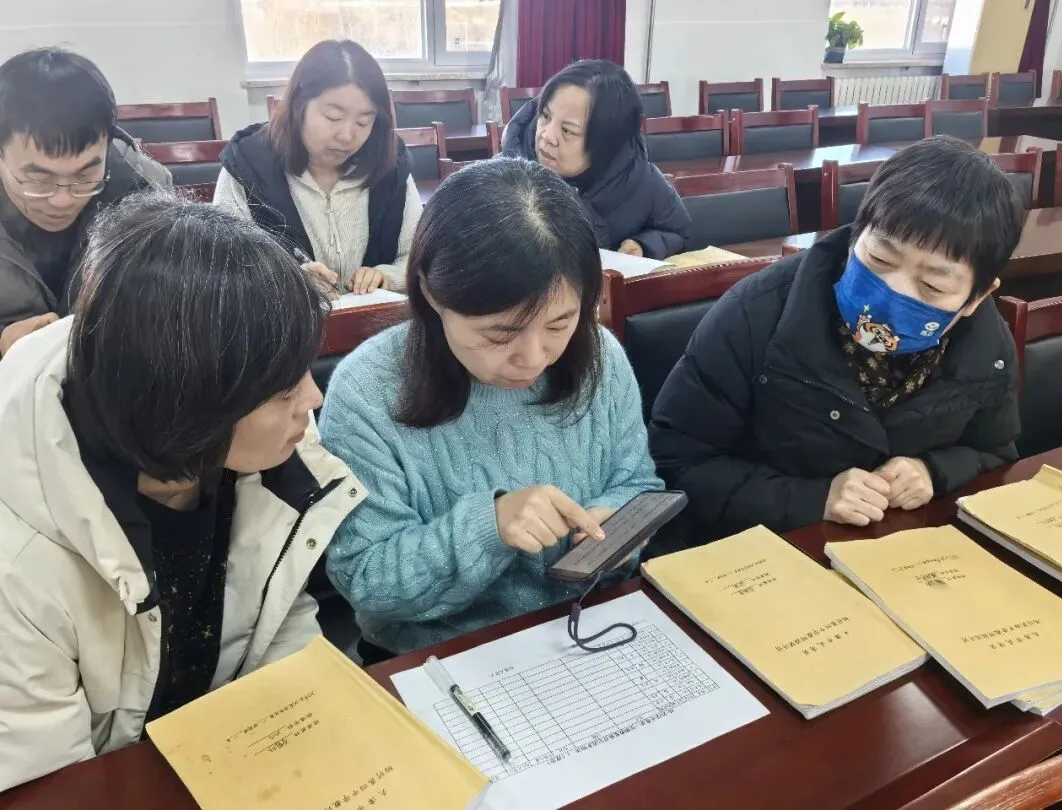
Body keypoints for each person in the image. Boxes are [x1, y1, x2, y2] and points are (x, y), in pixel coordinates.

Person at [0, 192, 366, 790]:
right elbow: (50, 787)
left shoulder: (266, 451)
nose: (314, 397)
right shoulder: (17, 560)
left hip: (232, 762)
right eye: (283, 390)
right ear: (187, 407)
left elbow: (279, 613)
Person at [319, 157, 663, 654]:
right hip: (440, 654)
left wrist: (617, 525)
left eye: (559, 324)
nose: (535, 358)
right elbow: (367, 579)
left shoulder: (599, 356)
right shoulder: (368, 391)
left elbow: (636, 481)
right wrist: (491, 526)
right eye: (500, 333)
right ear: (431, 293)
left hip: (591, 625)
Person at [648, 136, 1024, 550]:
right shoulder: (756, 313)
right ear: (853, 238)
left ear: (977, 298)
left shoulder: (987, 345)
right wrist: (813, 499)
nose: (891, 295)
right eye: (880, 260)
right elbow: (675, 463)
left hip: (900, 551)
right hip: (765, 551)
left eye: (932, 286)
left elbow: (995, 452)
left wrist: (934, 471)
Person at [0, 48, 172, 358]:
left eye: (86, 174)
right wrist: (3, 342)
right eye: (39, 180)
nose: (63, 200)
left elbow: (176, 310)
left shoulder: (147, 191)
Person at [215, 39, 421, 294]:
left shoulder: (391, 164)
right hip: (286, 320)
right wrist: (290, 282)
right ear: (299, 105)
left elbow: (418, 259)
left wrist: (386, 277)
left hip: (374, 318)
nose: (346, 136)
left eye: (363, 122)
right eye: (333, 117)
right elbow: (223, 274)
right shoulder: (246, 167)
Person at [502, 59, 690, 260]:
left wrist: (644, 245)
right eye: (545, 116)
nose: (547, 136)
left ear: (606, 143)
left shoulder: (642, 182)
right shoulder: (504, 175)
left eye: (567, 130)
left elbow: (677, 232)